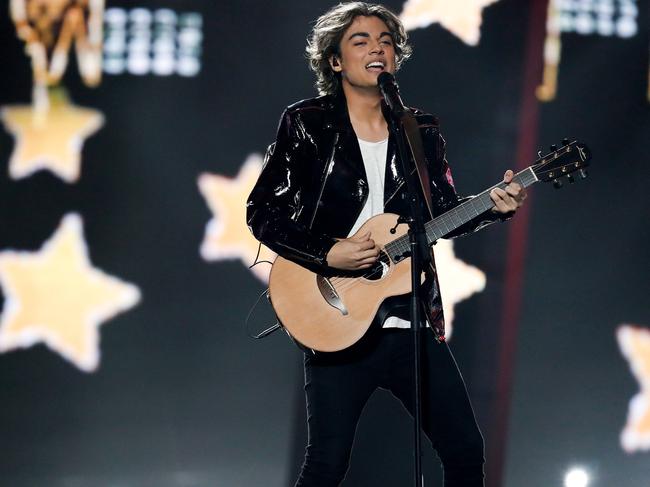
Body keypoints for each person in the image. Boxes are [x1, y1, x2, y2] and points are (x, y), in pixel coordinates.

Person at [246, 3, 526, 486]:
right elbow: (262, 212)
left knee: (465, 450)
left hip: (411, 321)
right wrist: (326, 253)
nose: (378, 48)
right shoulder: (307, 124)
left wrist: (491, 210)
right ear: (335, 61)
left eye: (386, 42)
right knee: (327, 463)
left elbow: (441, 217)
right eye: (361, 41)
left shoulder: (422, 131)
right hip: (337, 317)